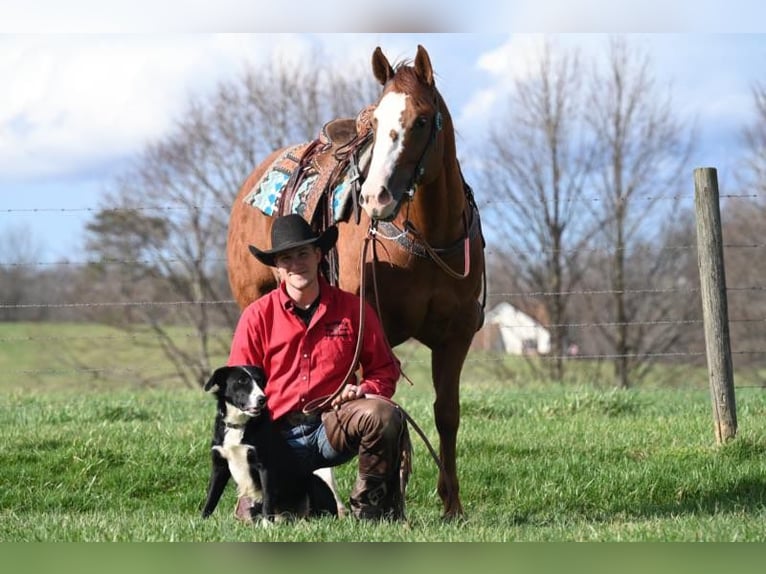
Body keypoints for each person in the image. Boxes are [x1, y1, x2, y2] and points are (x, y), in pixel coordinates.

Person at [227, 214, 408, 521]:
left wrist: (364, 390)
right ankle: (297, 496)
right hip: (277, 437)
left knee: (383, 415)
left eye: (303, 254)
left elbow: (385, 369)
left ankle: (370, 509)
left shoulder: (354, 310)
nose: (296, 264)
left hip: (333, 426)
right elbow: (238, 388)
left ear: (318, 256)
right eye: (287, 257)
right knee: (277, 516)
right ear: (276, 267)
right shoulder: (257, 317)